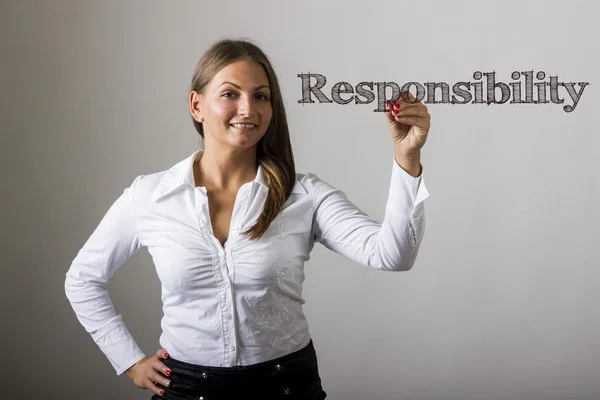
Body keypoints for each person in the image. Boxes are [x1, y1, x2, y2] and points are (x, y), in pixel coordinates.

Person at [64, 38, 431, 400]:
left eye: (261, 96)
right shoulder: (150, 195)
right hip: (187, 390)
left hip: (286, 387)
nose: (248, 109)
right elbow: (82, 279)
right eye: (230, 94)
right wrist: (129, 361)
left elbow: (393, 255)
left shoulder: (304, 195)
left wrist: (407, 158)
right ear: (197, 105)